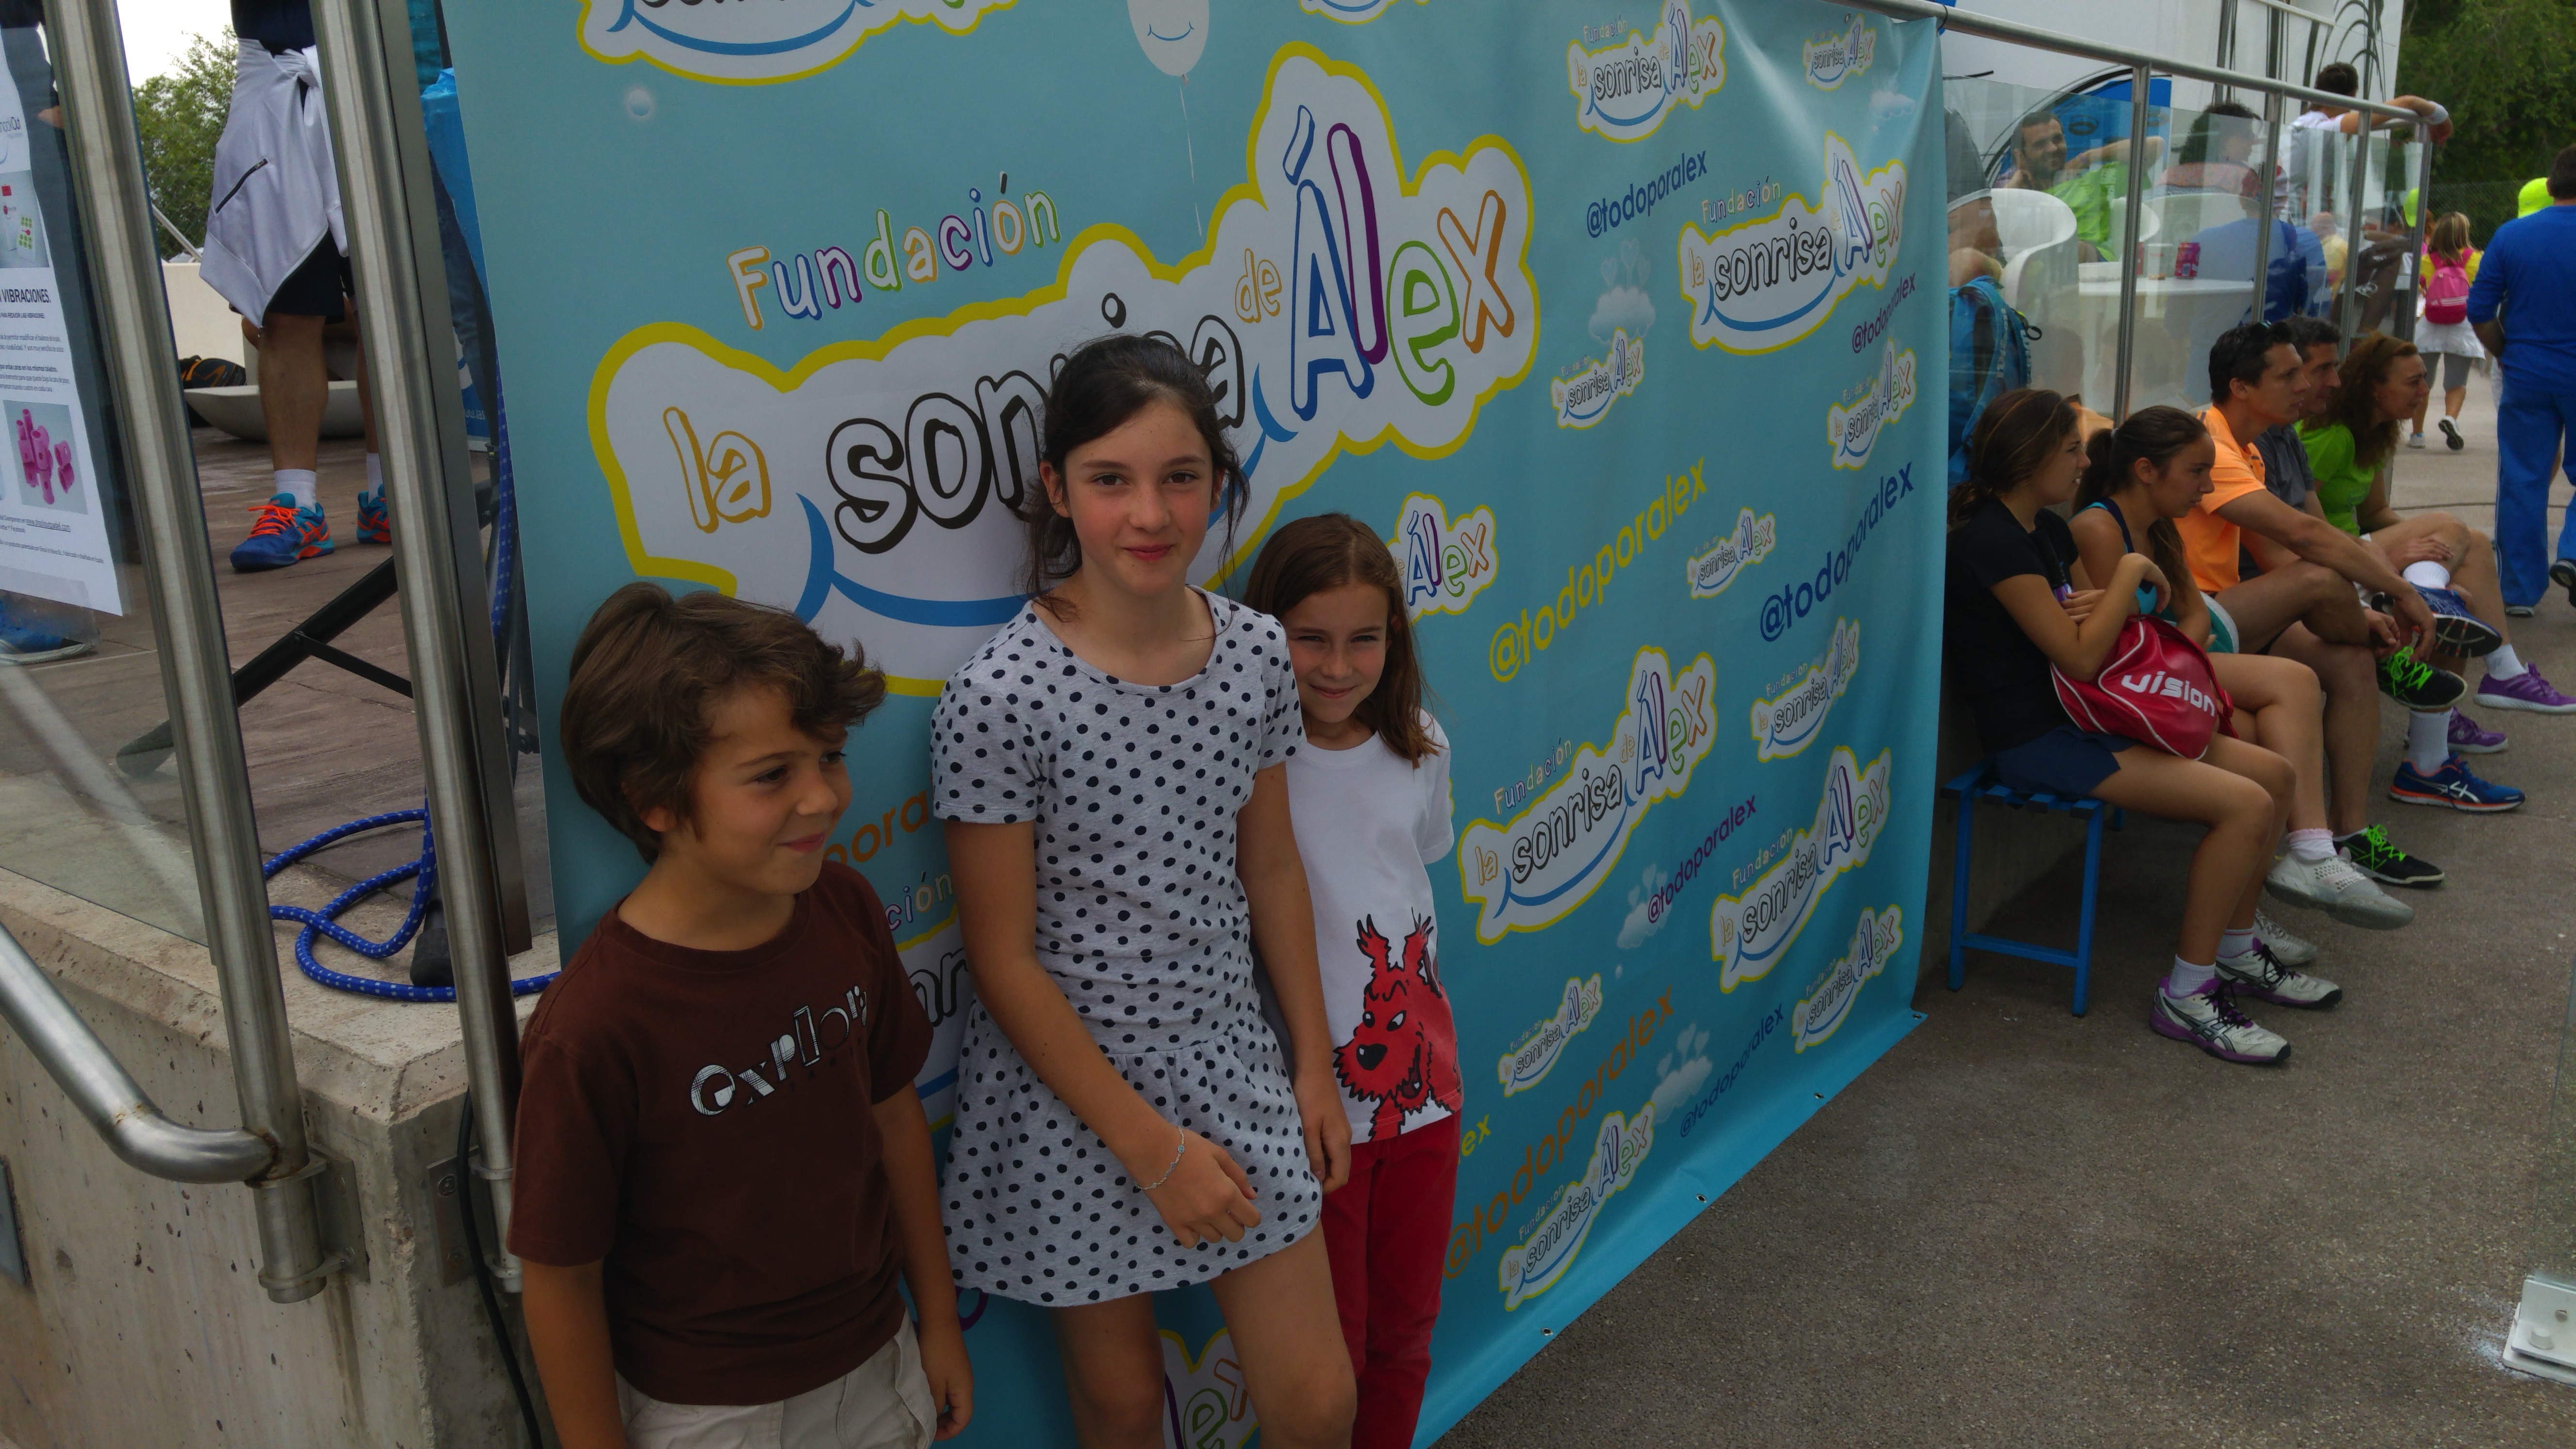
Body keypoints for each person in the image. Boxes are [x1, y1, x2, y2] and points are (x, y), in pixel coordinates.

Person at [933, 336, 1357, 1449]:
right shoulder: (999, 696)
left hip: (1228, 1058)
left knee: (1318, 1400)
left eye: (1179, 477)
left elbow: (1270, 865)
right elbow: (1003, 960)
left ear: (1217, 481)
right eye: (1110, 479)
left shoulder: (1256, 651)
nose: (1149, 513)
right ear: (1055, 488)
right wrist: (1150, 1148)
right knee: (1120, 1407)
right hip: (1072, 1094)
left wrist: (1311, 1064)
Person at [513, 585, 971, 1449]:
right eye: (771, 775)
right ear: (653, 798)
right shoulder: (595, 1025)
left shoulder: (845, 908)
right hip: (709, 1413)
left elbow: (893, 1113)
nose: (822, 798)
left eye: (829, 757)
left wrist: (938, 1318)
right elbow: (561, 1274)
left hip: (881, 1357)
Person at [1945, 388, 2332, 1065]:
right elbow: (2081, 654)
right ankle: (2187, 994)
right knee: (2245, 805)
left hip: (2093, 713)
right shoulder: (1991, 542)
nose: (2082, 463)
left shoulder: (2046, 532)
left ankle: (2235, 950)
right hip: (2040, 739)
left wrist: (2102, 611)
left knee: (2275, 774)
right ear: (2031, 458)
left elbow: (2099, 634)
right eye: (2071, 451)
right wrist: (2126, 575)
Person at [1242, 515, 1459, 1449]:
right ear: (1265, 633)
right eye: (1310, 639)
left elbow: (1409, 882)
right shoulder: (1250, 766)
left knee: (1403, 1335)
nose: (1336, 666)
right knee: (1332, 1351)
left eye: (1362, 638)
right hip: (1309, 1111)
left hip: (1426, 1097)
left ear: (1393, 636)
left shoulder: (1420, 744)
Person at [2070, 406, 2411, 933]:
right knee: (2287, 690)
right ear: (2145, 471)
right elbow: (2111, 641)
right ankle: (2298, 865)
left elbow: (2189, 613)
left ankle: (2263, 900)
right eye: (2196, 472)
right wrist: (2177, 657)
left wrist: (2178, 658)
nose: (2206, 488)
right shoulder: (2097, 528)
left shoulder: (2160, 526)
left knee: (2268, 727)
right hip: (2128, 680)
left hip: (2164, 662)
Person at [2174, 322, 2454, 888]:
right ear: (2240, 388)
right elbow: (2301, 536)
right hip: (2190, 622)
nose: (2305, 385)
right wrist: (2398, 592)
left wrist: (2359, 612)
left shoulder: (2251, 446)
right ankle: (2387, 656)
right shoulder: (2210, 444)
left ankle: (2349, 836)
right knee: (2322, 579)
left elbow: (2279, 552)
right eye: (2289, 375)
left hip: (2233, 612)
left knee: (2348, 661)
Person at [2296, 335, 2567, 803]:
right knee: (2451, 552)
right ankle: (2492, 665)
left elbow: (2376, 515)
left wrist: (2433, 547)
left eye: (2425, 379)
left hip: (2360, 551)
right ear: (2374, 387)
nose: (2425, 391)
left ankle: (2439, 747)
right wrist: (2398, 557)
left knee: (2468, 546)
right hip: (2333, 562)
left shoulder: (2373, 433)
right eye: (2414, 382)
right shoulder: (2332, 436)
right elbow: (2305, 528)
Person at [201, 0, 383, 573]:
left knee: (388, 305)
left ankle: (391, 490)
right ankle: (296, 503)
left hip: (374, 72)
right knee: (284, 310)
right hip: (272, 75)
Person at [2471, 144, 2576, 612]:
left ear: (2551, 185)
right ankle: (2573, 553)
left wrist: (2506, 353)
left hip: (2528, 371)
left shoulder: (2512, 235)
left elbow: (2479, 309)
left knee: (2522, 478)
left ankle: (2517, 590)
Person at [2000, 106, 2162, 258]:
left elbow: (2156, 146)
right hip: (2037, 266)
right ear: (2021, 156)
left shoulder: (2093, 181)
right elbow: (1995, 225)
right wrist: (2015, 184)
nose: (2053, 149)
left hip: (2091, 264)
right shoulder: (2018, 193)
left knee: (2074, 249)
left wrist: (2087, 158)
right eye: (2040, 145)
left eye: (2057, 140)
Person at [2412, 212, 2487, 451]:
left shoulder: (2425, 261)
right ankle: (2450, 418)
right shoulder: (2477, 259)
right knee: (2457, 382)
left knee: (2423, 382)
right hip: (2462, 325)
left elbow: (2419, 289)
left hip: (2430, 326)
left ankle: (2417, 435)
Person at [2160, 101, 2262, 200]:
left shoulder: (2169, 176)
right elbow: (2256, 210)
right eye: (2247, 135)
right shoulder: (2243, 176)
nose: (2254, 141)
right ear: (2219, 139)